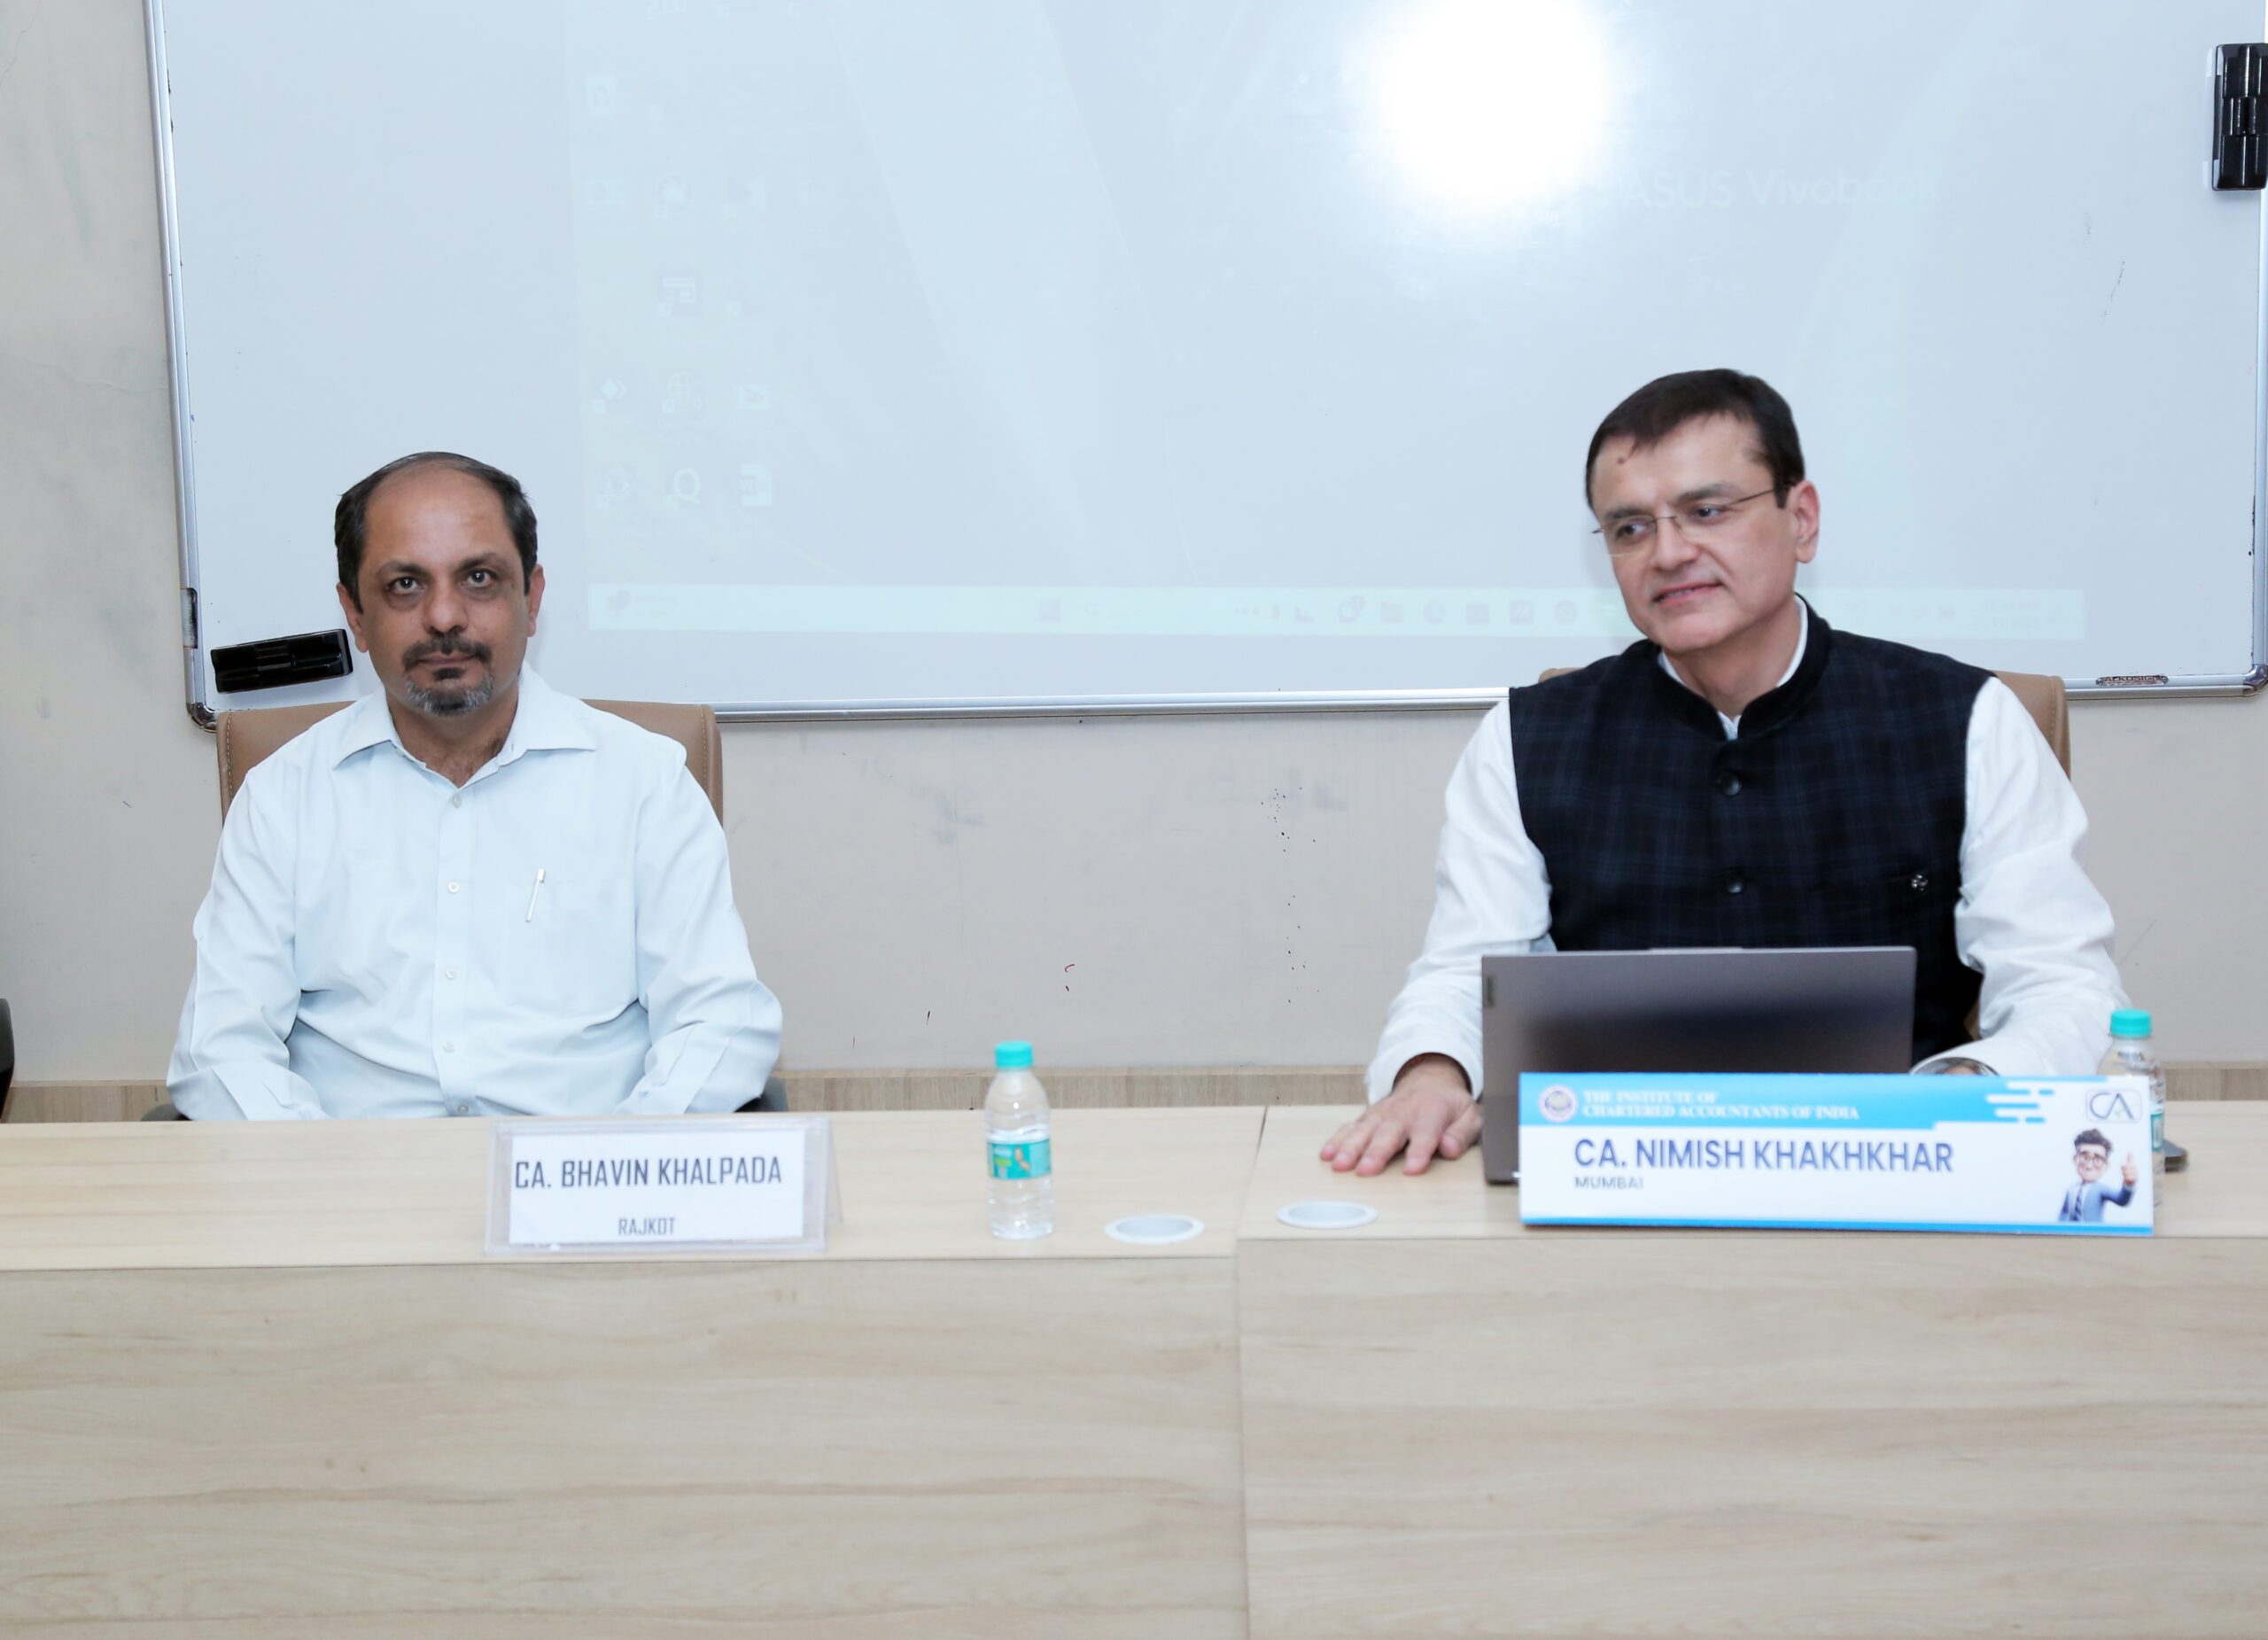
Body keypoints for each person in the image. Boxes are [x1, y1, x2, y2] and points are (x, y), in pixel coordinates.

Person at [1327, 369, 2124, 1176]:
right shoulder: (1526, 738)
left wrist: (1966, 1087)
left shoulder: (1968, 720)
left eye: (1707, 511)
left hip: (1903, 1168)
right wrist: (1432, 1072)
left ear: (1801, 519)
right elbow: (1469, 973)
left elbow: (2063, 983)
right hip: (1610, 1173)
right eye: (1630, 527)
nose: (1670, 553)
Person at [167, 452, 781, 1118]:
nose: (444, 617)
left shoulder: (645, 784)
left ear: (533, 598)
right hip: (350, 1167)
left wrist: (612, 1163)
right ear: (355, 613)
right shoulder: (283, 797)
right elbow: (220, 1050)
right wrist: (323, 1171)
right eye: (405, 584)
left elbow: (718, 1024)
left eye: (479, 578)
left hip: (582, 1163)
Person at [2058, 1129, 2138, 1223]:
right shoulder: (2071, 1190)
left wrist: (2129, 1185)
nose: (2089, 1165)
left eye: (2097, 1160)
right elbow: (2064, 1213)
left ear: (2106, 1165)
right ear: (2075, 1159)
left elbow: (2121, 1200)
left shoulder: (2101, 1189)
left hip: (2094, 1232)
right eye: (2084, 1158)